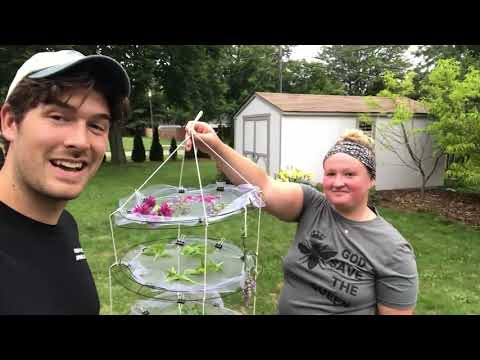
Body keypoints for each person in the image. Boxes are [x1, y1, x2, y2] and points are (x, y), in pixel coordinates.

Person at [185, 122, 418, 315]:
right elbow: (262, 186)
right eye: (330, 174)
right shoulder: (313, 205)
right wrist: (215, 147)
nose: (338, 182)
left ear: (372, 179)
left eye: (349, 174)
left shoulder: (393, 249)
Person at [0, 50, 130, 314]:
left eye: (96, 125)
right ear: (11, 122)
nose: (80, 142)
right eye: (59, 117)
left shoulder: (65, 224)